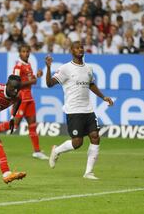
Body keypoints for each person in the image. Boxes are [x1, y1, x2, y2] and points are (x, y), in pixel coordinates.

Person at [45, 41, 114, 179]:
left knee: (95, 137)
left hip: (88, 109)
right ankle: (57, 150)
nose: (80, 49)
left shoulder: (88, 68)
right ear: (71, 51)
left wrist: (103, 97)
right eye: (77, 48)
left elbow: (91, 84)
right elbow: (49, 84)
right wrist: (48, 68)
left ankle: (88, 172)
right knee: (78, 142)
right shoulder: (65, 68)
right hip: (73, 110)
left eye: (81, 47)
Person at [0, 44, 48, 160]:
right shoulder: (18, 66)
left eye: (27, 51)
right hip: (21, 98)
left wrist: (37, 76)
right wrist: (31, 81)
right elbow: (15, 84)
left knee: (32, 125)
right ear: (19, 53)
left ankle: (37, 151)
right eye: (23, 51)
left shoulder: (28, 65)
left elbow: (31, 80)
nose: (26, 53)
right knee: (15, 125)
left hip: (29, 98)